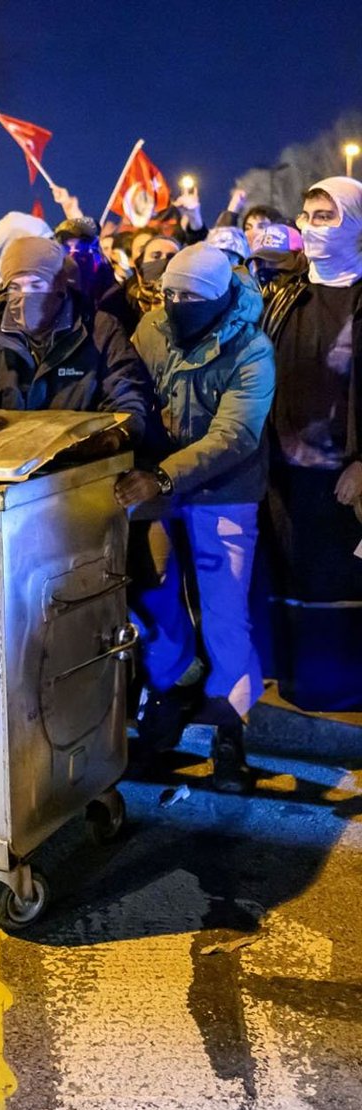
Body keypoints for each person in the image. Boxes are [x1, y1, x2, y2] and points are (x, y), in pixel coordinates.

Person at [117, 243, 275, 791]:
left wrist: (163, 475)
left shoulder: (251, 348)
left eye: (189, 296)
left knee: (226, 612)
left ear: (215, 296)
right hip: (159, 486)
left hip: (222, 491)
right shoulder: (154, 327)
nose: (175, 304)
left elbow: (236, 434)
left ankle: (232, 730)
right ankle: (169, 689)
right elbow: (131, 390)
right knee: (155, 594)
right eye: (169, 293)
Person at [259, 177, 362, 710]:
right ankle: (298, 684)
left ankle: (345, 691)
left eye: (327, 216)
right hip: (285, 469)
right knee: (292, 574)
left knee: (341, 580)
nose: (313, 226)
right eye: (308, 215)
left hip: (343, 475)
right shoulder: (286, 296)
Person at [0, 235, 154, 444]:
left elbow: (126, 397)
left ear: (59, 286)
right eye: (15, 288)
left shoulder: (100, 331)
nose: (25, 296)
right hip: (9, 461)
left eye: (36, 286)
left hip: (80, 460)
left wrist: (114, 437)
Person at [99, 234, 182, 335]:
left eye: (171, 257)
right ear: (140, 263)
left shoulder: (186, 300)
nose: (163, 261)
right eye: (156, 256)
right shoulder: (119, 300)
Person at [54, 216, 116, 305]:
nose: (72, 254)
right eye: (67, 248)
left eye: (79, 248)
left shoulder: (108, 283)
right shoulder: (54, 285)